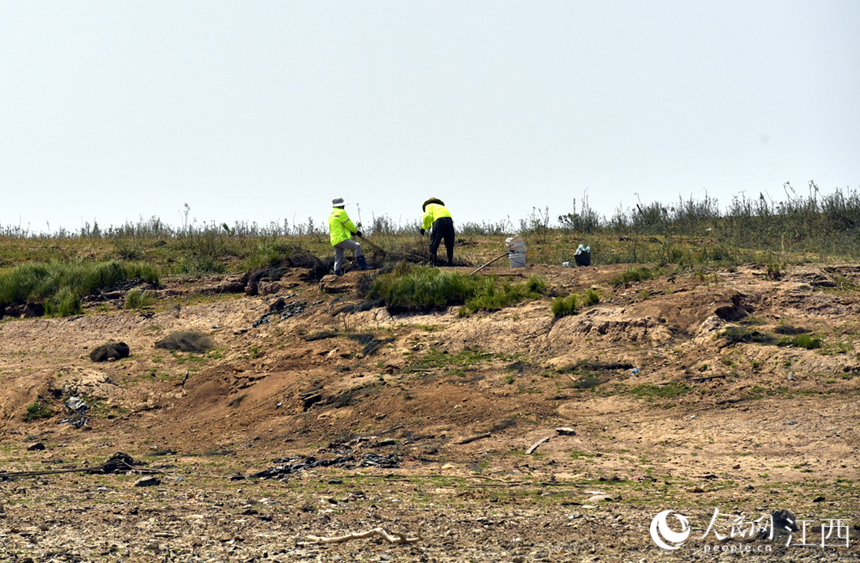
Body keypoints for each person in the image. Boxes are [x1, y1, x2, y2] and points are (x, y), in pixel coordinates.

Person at [328, 197, 370, 276]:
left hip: (334, 240)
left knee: (338, 258)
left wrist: (350, 232)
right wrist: (356, 231)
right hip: (341, 239)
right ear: (341, 206)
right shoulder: (341, 212)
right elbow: (348, 223)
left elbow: (339, 226)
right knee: (357, 246)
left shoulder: (332, 214)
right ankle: (363, 266)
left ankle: (336, 275)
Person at [421, 198, 455, 266]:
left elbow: (427, 216)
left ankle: (432, 262)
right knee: (449, 242)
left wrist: (424, 228)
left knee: (434, 242)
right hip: (449, 220)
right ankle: (449, 262)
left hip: (439, 220)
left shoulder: (429, 206)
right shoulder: (443, 207)